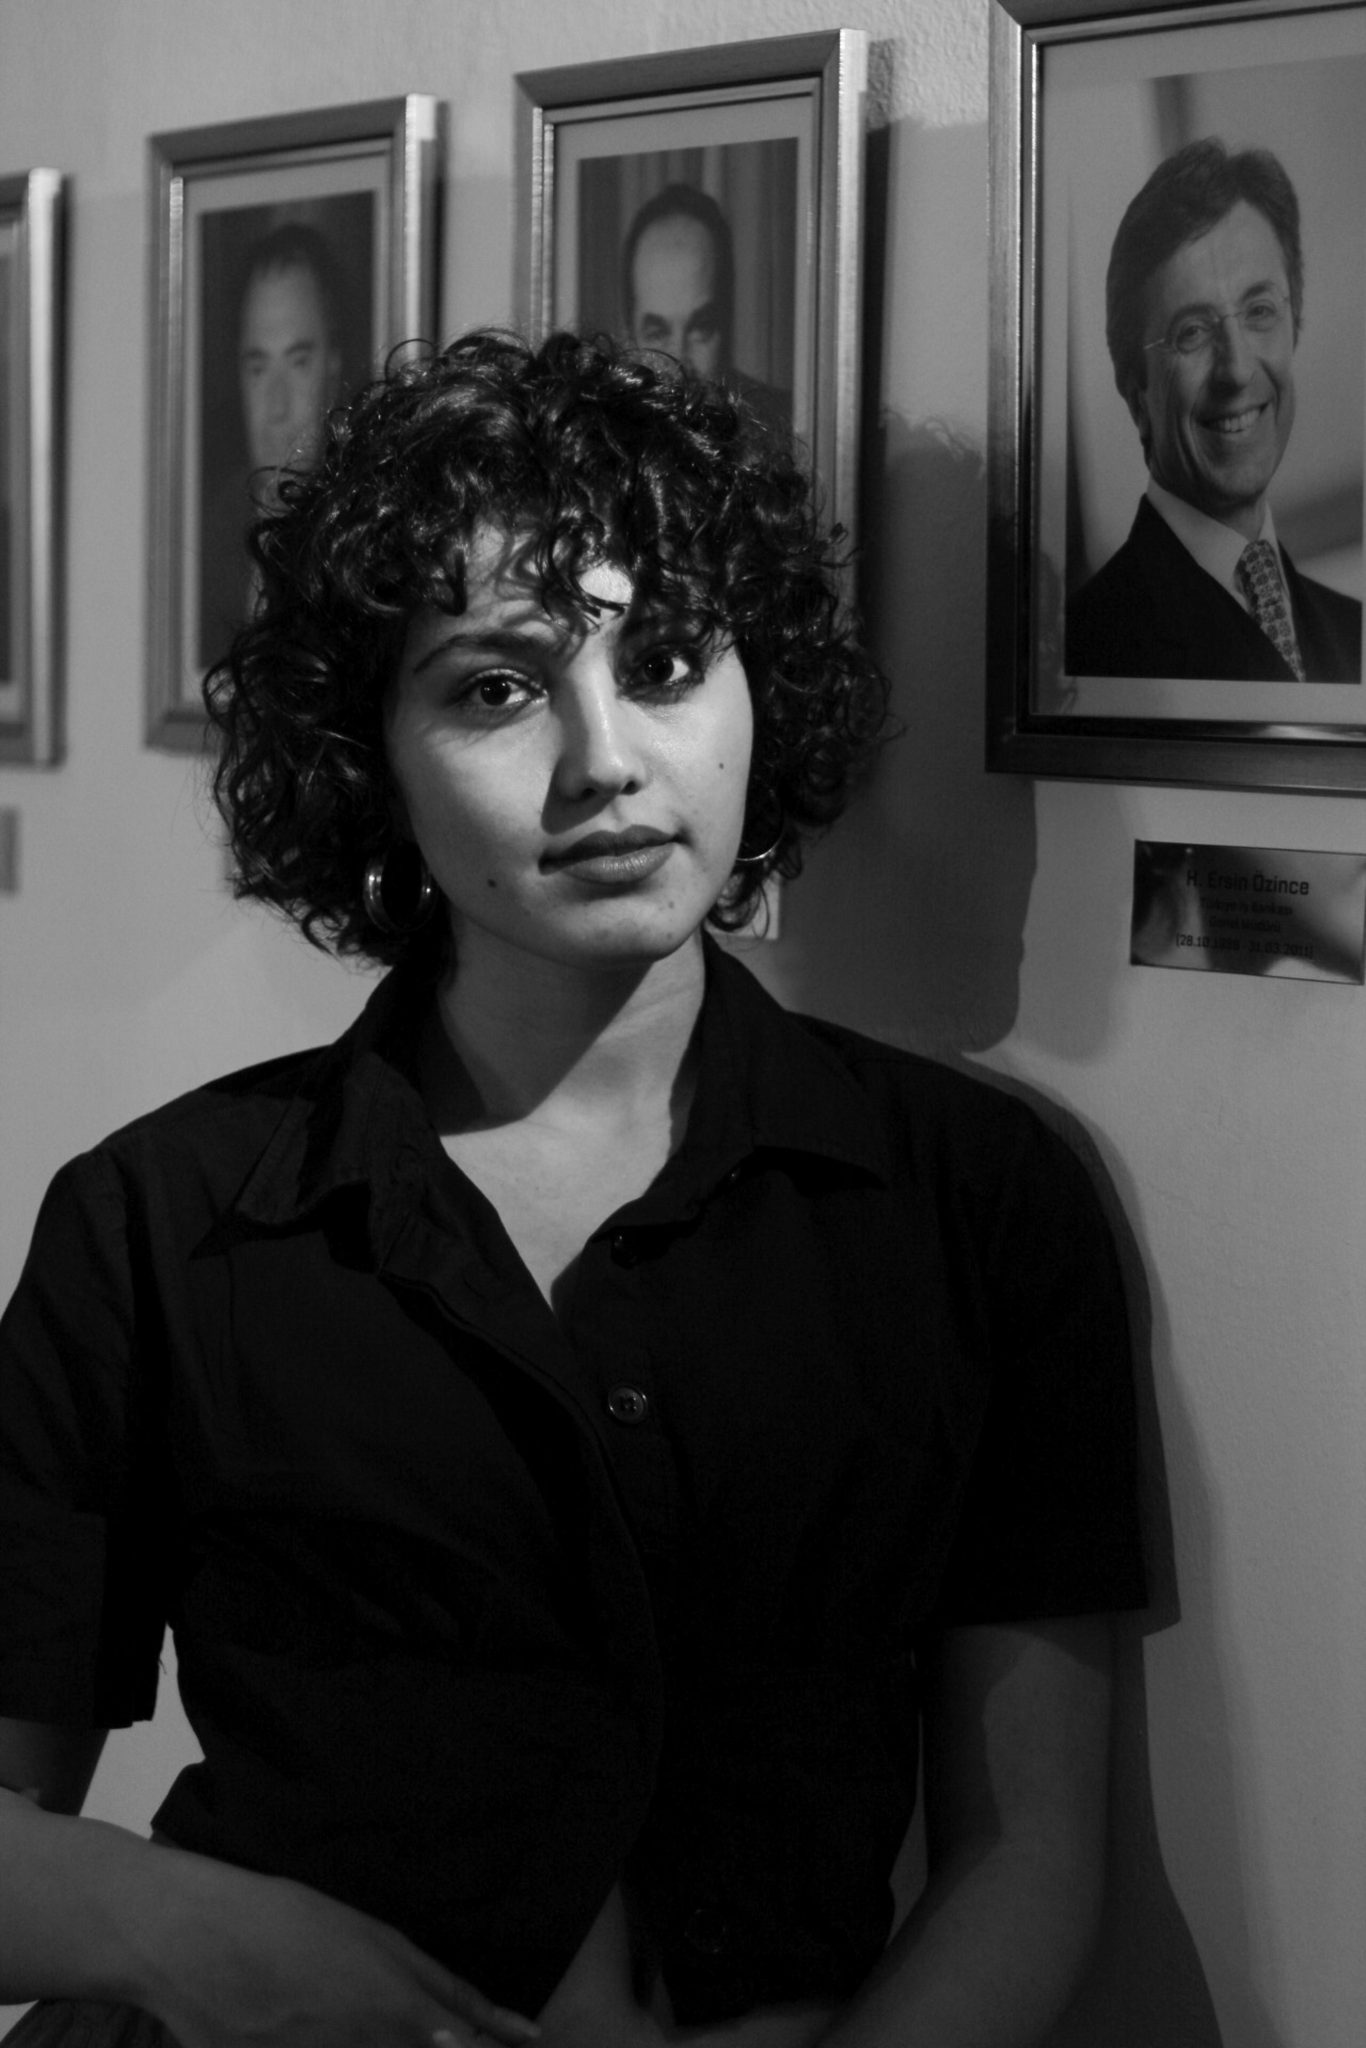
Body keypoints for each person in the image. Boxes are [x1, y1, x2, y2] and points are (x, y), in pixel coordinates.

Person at [0, 329, 1147, 2048]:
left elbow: (1034, 1849)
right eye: (493, 684)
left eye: (670, 659)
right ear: (370, 752)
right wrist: (192, 1931)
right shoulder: (166, 1221)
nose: (605, 757)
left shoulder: (973, 1199)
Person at [1066, 137, 1363, 682]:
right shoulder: (1085, 651)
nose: (1238, 371)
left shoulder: (1353, 633)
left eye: (1259, 310)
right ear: (1137, 394)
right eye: (1193, 332)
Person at [198, 222, 344, 670]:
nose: (276, 407)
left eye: (298, 363)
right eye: (258, 369)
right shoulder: (210, 529)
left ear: (334, 370)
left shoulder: (363, 535)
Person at [621, 183, 792, 435]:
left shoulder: (783, 425)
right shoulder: (606, 444)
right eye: (658, 334)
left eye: (700, 329)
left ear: (726, 321)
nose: (679, 364)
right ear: (629, 335)